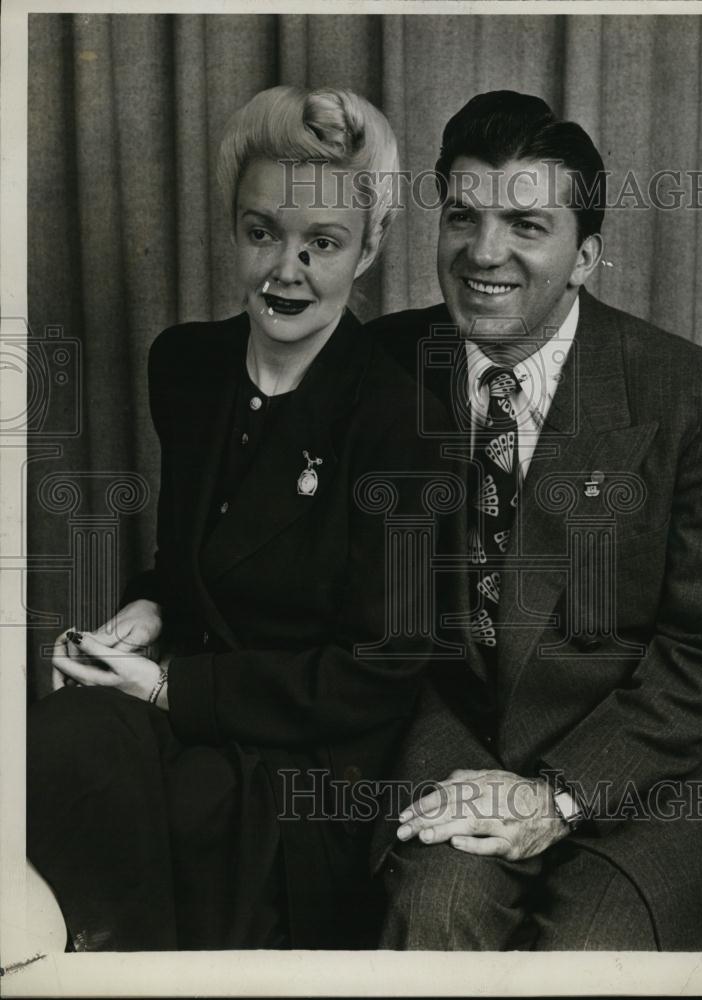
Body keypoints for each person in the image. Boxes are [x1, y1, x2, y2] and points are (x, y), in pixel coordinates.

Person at [26, 85, 454, 951]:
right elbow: (202, 560)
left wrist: (168, 686)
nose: (283, 271)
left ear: (368, 250)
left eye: (321, 244)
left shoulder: (403, 423)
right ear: (233, 230)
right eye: (262, 233)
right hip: (182, 707)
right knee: (52, 746)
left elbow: (378, 673)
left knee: (166, 812)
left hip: (304, 767)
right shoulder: (186, 366)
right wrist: (147, 612)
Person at [366, 90, 702, 951]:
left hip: (642, 773)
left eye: (526, 225)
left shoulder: (691, 395)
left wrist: (560, 796)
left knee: (594, 953)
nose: (485, 253)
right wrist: (157, 598)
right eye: (463, 216)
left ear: (586, 254)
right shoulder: (378, 368)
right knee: (436, 911)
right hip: (457, 747)